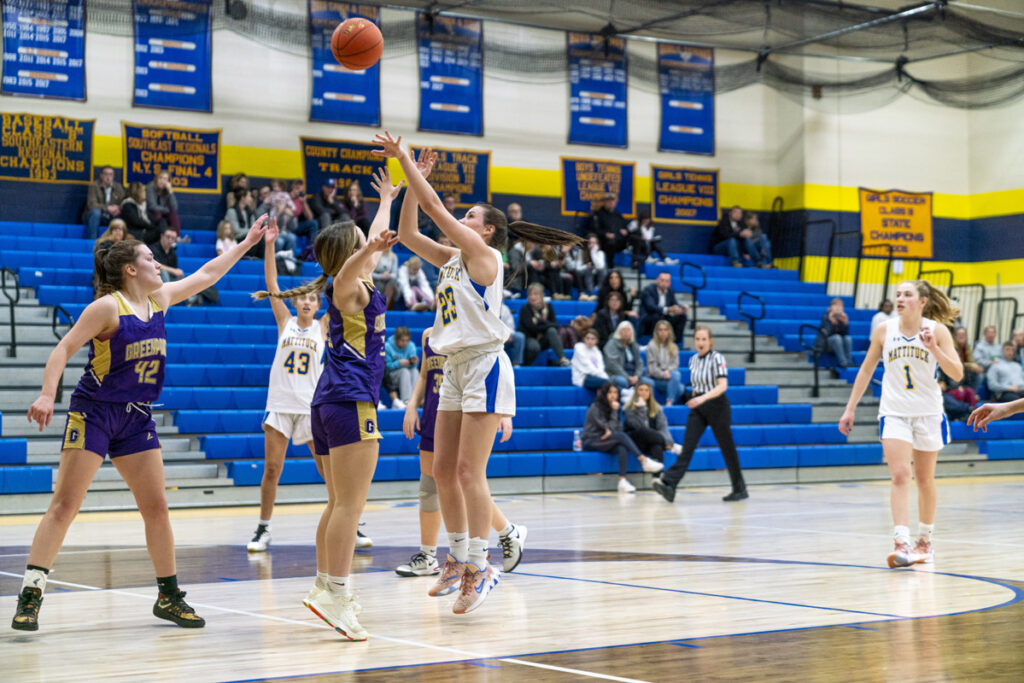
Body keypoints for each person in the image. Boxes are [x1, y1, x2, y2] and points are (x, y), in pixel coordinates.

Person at [10, 216, 269, 632]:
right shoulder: (108, 307)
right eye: (151, 258)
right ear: (131, 269)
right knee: (65, 505)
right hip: (94, 411)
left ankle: (169, 596)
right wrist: (46, 393)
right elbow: (63, 348)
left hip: (136, 415)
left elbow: (207, 274)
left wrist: (246, 242)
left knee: (157, 508)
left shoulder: (160, 299)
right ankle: (31, 594)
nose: (158, 263)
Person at [375, 131, 580, 614]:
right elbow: (407, 236)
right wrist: (409, 185)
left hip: (486, 363)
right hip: (452, 367)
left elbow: (437, 214)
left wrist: (405, 162)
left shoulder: (487, 259)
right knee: (442, 469)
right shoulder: (450, 260)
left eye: (471, 216)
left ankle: (481, 566)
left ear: (487, 231)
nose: (462, 218)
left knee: (469, 471)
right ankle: (459, 560)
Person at [257, 167, 403, 640]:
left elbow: (373, 240)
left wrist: (389, 198)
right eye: (362, 242)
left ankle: (325, 586)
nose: (373, 242)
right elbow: (355, 258)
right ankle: (339, 596)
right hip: (349, 400)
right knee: (350, 506)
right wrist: (370, 245)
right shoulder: (344, 285)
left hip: (330, 401)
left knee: (339, 502)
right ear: (350, 253)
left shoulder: (352, 282)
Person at [838, 280, 962, 568]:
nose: (900, 299)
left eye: (908, 294)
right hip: (893, 411)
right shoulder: (885, 330)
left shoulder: (937, 330)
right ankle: (901, 541)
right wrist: (850, 407)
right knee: (899, 475)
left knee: (925, 479)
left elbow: (956, 373)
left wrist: (934, 348)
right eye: (898, 295)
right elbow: (867, 367)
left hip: (928, 412)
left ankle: (925, 542)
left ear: (922, 301)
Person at [397, 328, 527, 578]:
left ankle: (503, 534)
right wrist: (412, 404)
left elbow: (489, 363)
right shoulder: (428, 335)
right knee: (429, 486)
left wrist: (503, 414)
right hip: (435, 411)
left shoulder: (468, 329)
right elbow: (424, 375)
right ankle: (427, 555)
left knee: (463, 482)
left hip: (461, 413)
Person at [245, 218, 327, 553]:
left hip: (310, 407)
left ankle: (352, 522)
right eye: (303, 297)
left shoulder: (325, 327)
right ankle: (263, 528)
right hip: (280, 404)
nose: (307, 302)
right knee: (272, 469)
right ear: (295, 302)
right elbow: (271, 281)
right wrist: (268, 245)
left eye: (313, 298)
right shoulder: (285, 321)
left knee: (329, 470)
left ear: (319, 305)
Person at [652, 325, 749, 503]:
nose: (700, 342)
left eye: (704, 339)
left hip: (717, 406)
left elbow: (722, 385)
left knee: (727, 449)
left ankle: (739, 487)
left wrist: (703, 397)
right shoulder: (693, 360)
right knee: (687, 447)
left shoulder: (717, 358)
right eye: (697, 339)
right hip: (698, 407)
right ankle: (670, 484)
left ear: (710, 341)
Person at [580, 382, 653, 493]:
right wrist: (614, 413)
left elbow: (617, 428)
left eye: (615, 392)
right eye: (610, 392)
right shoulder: (595, 407)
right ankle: (643, 459)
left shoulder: (615, 407)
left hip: (606, 440)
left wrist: (612, 421)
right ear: (604, 394)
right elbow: (607, 427)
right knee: (621, 437)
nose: (613, 395)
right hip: (591, 440)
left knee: (621, 447)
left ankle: (622, 481)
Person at [623, 381, 679, 469]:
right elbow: (638, 426)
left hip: (652, 441)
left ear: (650, 393)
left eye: (646, 390)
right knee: (644, 431)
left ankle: (657, 478)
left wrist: (668, 440)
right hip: (635, 441)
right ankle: (671, 446)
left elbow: (662, 428)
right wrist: (642, 408)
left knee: (657, 447)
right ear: (636, 392)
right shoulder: (629, 408)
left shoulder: (657, 408)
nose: (643, 392)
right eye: (640, 390)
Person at [519, 283, 570, 367]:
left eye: (535, 294)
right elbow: (531, 328)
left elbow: (555, 325)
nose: (532, 297)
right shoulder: (525, 308)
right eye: (530, 294)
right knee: (535, 346)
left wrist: (539, 321)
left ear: (542, 296)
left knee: (552, 331)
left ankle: (562, 359)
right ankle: (527, 366)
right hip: (530, 337)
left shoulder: (549, 307)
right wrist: (545, 324)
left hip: (544, 339)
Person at [639, 272, 689, 340]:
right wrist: (668, 309)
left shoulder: (670, 292)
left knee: (682, 316)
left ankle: (676, 341)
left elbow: (675, 304)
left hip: (663, 318)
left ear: (670, 283)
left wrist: (682, 309)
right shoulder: (648, 290)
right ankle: (656, 341)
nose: (664, 283)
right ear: (657, 280)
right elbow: (651, 307)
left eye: (667, 281)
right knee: (657, 316)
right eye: (662, 280)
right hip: (649, 319)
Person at [644, 320, 683, 406]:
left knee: (679, 382)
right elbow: (651, 369)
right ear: (656, 332)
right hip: (655, 378)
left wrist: (668, 371)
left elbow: (675, 365)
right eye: (660, 330)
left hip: (669, 377)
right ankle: (669, 403)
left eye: (665, 330)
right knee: (679, 387)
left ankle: (669, 402)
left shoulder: (674, 347)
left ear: (669, 331)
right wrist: (663, 374)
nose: (663, 332)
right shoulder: (651, 346)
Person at [83, 166, 126, 239]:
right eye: (106, 174)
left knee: (124, 213)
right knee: (96, 212)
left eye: (111, 174)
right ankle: (93, 242)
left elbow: (124, 202)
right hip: (96, 216)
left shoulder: (118, 186)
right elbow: (92, 204)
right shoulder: (94, 186)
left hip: (111, 216)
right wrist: (108, 208)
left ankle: (119, 243)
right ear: (101, 175)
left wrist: (118, 209)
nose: (108, 177)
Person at [588, 192, 629, 268]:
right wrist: (605, 234)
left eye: (612, 200)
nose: (611, 202)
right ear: (604, 202)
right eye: (608, 200)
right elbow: (594, 230)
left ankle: (636, 263)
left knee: (634, 238)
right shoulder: (598, 214)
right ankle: (610, 266)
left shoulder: (618, 215)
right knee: (611, 242)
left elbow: (625, 228)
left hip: (619, 241)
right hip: (604, 242)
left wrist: (625, 231)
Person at [603, 320, 643, 397]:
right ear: (619, 332)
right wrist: (627, 377)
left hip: (633, 374)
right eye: (624, 330)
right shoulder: (611, 344)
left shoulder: (634, 345)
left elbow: (639, 363)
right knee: (623, 381)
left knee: (648, 382)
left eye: (628, 330)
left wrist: (636, 376)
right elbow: (612, 364)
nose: (626, 332)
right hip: (616, 374)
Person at [385, 326, 419, 409]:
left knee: (414, 371)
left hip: (407, 374)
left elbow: (414, 366)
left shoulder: (411, 346)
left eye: (407, 340)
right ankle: (406, 401)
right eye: (402, 340)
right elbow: (387, 367)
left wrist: (413, 362)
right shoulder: (387, 346)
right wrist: (399, 363)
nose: (405, 343)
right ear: (396, 339)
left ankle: (415, 400)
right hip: (392, 376)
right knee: (404, 371)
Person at [819, 297, 853, 373]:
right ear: (830, 308)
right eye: (836, 306)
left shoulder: (842, 318)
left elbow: (844, 334)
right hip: (825, 344)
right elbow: (826, 334)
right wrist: (832, 322)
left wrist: (845, 324)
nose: (838, 308)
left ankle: (849, 362)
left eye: (840, 306)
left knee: (848, 338)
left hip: (837, 342)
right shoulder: (825, 317)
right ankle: (843, 362)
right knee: (837, 338)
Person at [953, 326, 984, 392]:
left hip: (965, 371)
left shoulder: (967, 347)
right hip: (954, 370)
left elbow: (971, 361)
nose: (961, 336)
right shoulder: (953, 347)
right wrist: (970, 365)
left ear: (966, 336)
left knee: (978, 374)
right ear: (955, 337)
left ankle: (972, 394)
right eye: (959, 334)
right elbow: (955, 363)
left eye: (963, 334)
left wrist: (976, 367)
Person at [371, 244, 399, 309]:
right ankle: (381, 307)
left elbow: (395, 274)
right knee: (380, 284)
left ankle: (384, 306)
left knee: (393, 281)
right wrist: (381, 276)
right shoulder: (374, 255)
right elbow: (369, 273)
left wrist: (388, 275)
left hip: (389, 281)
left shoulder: (394, 256)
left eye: (389, 244)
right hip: (376, 280)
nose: (387, 246)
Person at [499, 302, 525, 367]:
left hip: (505, 339)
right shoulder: (485, 308)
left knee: (519, 337)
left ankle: (516, 363)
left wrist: (508, 334)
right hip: (490, 338)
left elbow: (510, 326)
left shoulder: (505, 309)